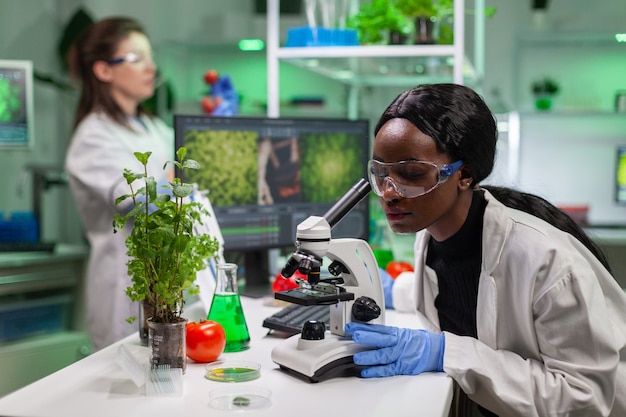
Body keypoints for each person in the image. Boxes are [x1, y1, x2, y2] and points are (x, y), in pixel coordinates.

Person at [345, 84, 626, 417]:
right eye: (380, 173)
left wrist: (447, 353)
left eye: (412, 174)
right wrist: (395, 291)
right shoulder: (433, 236)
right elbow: (467, 296)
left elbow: (585, 399)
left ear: (463, 174)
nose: (389, 193)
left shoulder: (548, 261)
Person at [64, 17, 174, 350]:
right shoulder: (93, 136)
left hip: (168, 284)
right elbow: (141, 206)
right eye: (136, 57)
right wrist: (180, 180)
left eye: (151, 57)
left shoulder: (153, 127)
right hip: (124, 289)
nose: (151, 67)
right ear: (103, 70)